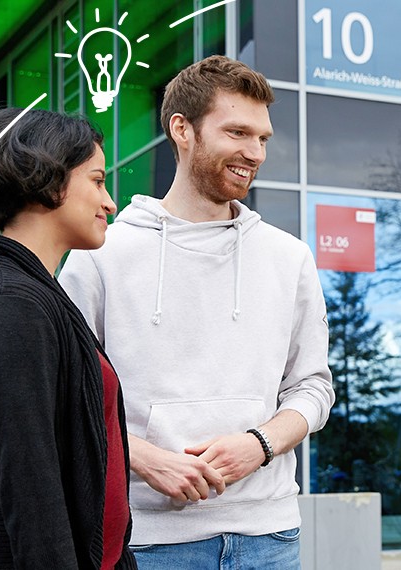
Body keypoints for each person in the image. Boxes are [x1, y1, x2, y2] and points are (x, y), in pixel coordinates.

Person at [59, 55, 334, 569]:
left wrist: (259, 444)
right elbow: (67, 391)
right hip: (148, 539)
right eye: (237, 132)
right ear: (182, 129)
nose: (254, 152)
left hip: (269, 538)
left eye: (263, 138)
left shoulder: (288, 256)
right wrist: (142, 457)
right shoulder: (100, 254)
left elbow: (313, 387)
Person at [0, 108, 133, 569]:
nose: (110, 203)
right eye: (98, 180)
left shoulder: (35, 293)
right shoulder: (11, 304)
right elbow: (32, 488)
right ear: (49, 181)